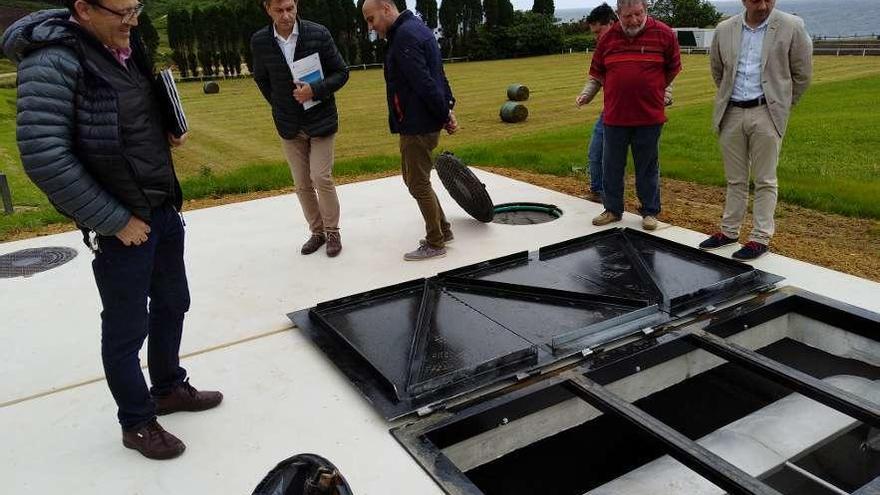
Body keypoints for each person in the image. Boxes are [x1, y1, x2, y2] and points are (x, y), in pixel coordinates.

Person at [2, 0, 222, 460]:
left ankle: (167, 388)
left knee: (172, 302)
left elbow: (126, 120)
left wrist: (167, 129)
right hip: (121, 224)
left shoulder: (121, 43)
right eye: (122, 11)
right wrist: (115, 221)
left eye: (137, 8)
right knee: (126, 329)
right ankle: (138, 422)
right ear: (83, 9)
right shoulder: (52, 61)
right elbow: (45, 157)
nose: (133, 20)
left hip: (160, 207)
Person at [699, 0, 812, 260]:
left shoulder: (791, 26)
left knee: (765, 179)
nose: (762, 4)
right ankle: (729, 232)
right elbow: (718, 71)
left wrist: (781, 106)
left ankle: (760, 237)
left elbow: (802, 74)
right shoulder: (725, 29)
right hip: (732, 112)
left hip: (767, 113)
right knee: (735, 179)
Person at [252, 0, 350, 257]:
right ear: (267, 9)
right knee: (301, 183)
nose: (286, 16)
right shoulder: (260, 41)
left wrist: (314, 91)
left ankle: (332, 232)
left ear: (296, 5)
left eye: (290, 8)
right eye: (279, 10)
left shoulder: (318, 33)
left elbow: (341, 72)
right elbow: (261, 78)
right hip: (288, 124)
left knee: (321, 176)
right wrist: (280, 104)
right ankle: (316, 232)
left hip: (321, 119)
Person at [362, 0, 458, 261]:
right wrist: (447, 108)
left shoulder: (404, 36)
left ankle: (435, 242)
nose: (371, 27)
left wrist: (444, 113)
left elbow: (426, 82)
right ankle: (444, 230)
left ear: (386, 7)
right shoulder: (419, 28)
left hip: (417, 123)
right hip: (422, 120)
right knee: (417, 180)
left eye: (371, 19)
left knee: (417, 183)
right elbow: (439, 74)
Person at [587, 0, 681, 231]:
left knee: (647, 166)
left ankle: (650, 212)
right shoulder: (607, 39)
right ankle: (612, 209)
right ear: (618, 14)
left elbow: (672, 68)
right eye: (628, 16)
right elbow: (598, 72)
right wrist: (586, 95)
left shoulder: (665, 34)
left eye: (639, 14)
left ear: (646, 9)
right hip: (615, 116)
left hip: (649, 116)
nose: (634, 20)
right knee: (611, 165)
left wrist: (657, 90)